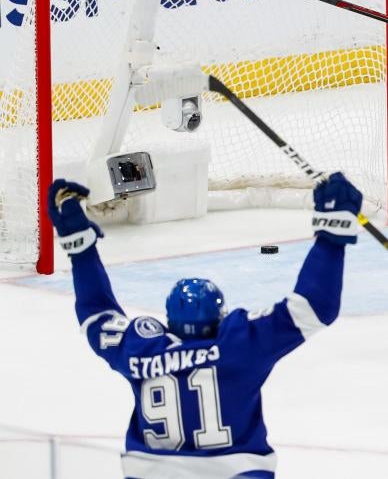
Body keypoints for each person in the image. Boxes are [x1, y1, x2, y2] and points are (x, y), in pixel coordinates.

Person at [50, 172, 361, 477]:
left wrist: (80, 249)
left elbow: (97, 316)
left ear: (169, 323)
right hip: (237, 471)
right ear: (220, 316)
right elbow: (313, 307)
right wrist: (332, 236)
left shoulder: (139, 349)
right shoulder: (239, 344)